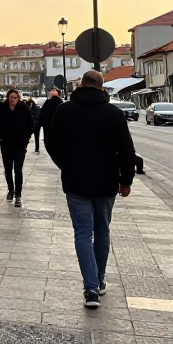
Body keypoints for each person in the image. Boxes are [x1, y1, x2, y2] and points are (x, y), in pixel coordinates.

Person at [45, 70, 135, 309]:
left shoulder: (64, 111)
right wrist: (126, 179)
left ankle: (91, 287)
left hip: (75, 181)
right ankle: (100, 279)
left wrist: (66, 164)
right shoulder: (114, 114)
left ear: (81, 85)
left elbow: (51, 142)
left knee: (83, 233)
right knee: (102, 231)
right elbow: (127, 150)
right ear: (102, 87)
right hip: (106, 182)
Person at [0, 88, 34, 205]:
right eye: (11, 97)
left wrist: (25, 140)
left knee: (18, 170)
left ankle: (18, 195)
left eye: (15, 98)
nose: (13, 100)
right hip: (6, 145)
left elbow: (30, 125)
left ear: (18, 98)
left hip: (20, 146)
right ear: (8, 98)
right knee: (8, 169)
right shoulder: (3, 109)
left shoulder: (23, 109)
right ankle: (11, 189)